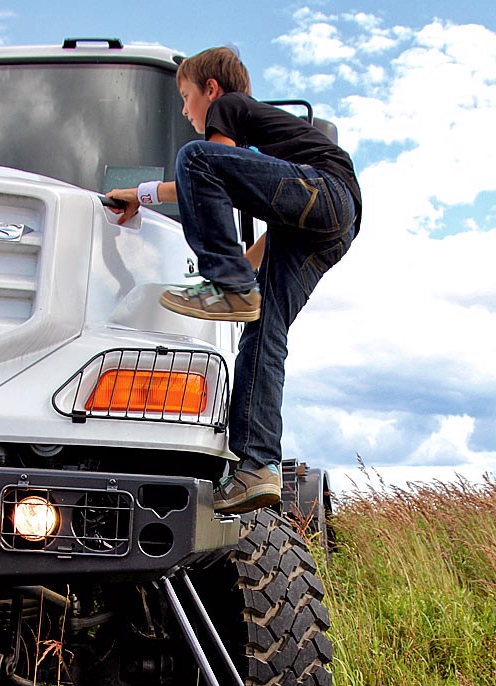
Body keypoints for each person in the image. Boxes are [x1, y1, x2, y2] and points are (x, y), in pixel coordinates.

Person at [107, 46, 361, 514]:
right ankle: (257, 467)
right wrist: (244, 265)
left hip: (327, 191)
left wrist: (139, 195)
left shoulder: (230, 106)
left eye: (185, 97)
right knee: (264, 329)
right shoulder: (270, 156)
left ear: (211, 90)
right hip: (332, 224)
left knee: (195, 159)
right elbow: (273, 217)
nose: (185, 111)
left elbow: (207, 169)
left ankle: (228, 287)